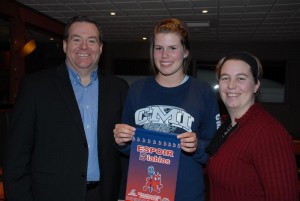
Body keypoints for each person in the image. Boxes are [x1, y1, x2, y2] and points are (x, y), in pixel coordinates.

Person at [3, 16, 128, 201]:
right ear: (65, 45)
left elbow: (123, 151)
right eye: (76, 39)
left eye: (91, 41)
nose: (84, 47)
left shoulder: (118, 88)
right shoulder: (35, 87)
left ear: (100, 48)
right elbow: (16, 157)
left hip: (103, 194)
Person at [113, 18, 220, 201]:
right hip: (143, 192)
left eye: (172, 48)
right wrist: (121, 141)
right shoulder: (136, 90)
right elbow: (129, 148)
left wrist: (197, 147)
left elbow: (216, 151)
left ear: (185, 52)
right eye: (158, 48)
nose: (164, 55)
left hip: (186, 194)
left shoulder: (203, 92)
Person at [205, 51, 298, 201]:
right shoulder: (226, 126)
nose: (231, 85)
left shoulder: (268, 132)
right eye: (225, 78)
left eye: (241, 78)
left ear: (256, 85)